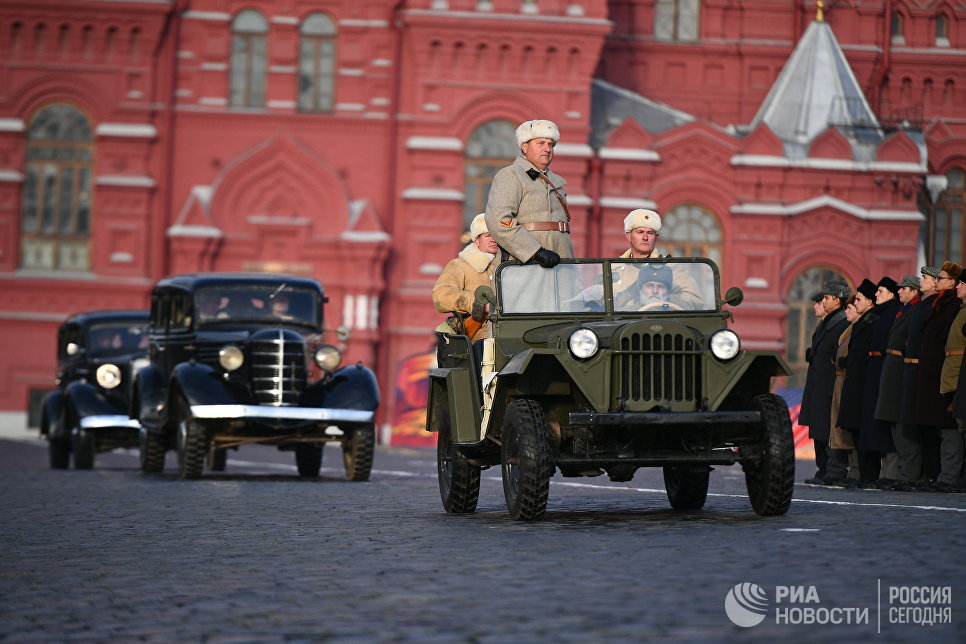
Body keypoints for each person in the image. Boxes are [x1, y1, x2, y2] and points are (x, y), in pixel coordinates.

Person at [484, 119, 572, 268]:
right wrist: (535, 252)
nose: (547, 149)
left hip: (562, 266)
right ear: (524, 147)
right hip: (526, 268)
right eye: (540, 143)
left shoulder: (555, 182)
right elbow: (498, 220)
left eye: (550, 144)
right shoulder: (511, 175)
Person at [913, 261, 964, 491]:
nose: (936, 281)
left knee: (949, 428)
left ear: (951, 283)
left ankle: (948, 476)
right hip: (939, 373)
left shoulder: (952, 305)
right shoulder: (942, 304)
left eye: (940, 278)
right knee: (938, 428)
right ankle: (941, 475)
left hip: (948, 373)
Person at [800, 280, 850, 485]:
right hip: (818, 386)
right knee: (819, 430)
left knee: (829, 430)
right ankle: (823, 470)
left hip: (829, 386)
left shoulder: (841, 325)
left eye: (825, 298)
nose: (820, 302)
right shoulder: (827, 323)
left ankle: (834, 470)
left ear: (836, 300)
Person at [874, 275, 922, 490]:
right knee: (893, 421)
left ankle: (908, 474)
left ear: (913, 292)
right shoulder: (904, 310)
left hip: (901, 368)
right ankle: (903, 473)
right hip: (892, 367)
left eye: (904, 289)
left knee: (902, 423)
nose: (900, 291)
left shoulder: (914, 310)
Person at [899, 265, 943, 488]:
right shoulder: (925, 304)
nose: (921, 281)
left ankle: (930, 472)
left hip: (924, 368)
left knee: (925, 424)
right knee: (915, 422)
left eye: (924, 278)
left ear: (936, 282)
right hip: (914, 368)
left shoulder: (933, 305)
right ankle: (921, 473)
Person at [432, 213, 499, 357]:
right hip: (476, 340)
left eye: (497, 234)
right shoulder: (460, 265)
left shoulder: (512, 267)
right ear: (477, 240)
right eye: (487, 235)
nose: (493, 239)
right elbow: (441, 296)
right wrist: (478, 305)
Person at [837, 278, 880, 486]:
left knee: (863, 430)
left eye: (860, 299)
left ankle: (867, 474)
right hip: (855, 382)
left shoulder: (872, 322)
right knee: (855, 429)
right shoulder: (863, 322)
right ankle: (862, 474)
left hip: (862, 383)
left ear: (870, 302)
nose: (857, 302)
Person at [613, 209, 701, 309]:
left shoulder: (670, 267)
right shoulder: (614, 269)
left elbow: (694, 298)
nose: (645, 238)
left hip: (662, 322)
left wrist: (659, 301)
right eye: (640, 232)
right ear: (628, 236)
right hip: (622, 323)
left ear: (656, 237)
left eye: (650, 233)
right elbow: (598, 301)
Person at [865, 277, 902, 486]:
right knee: (876, 423)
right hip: (876, 369)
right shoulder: (881, 314)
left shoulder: (892, 313)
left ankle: (889, 472)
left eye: (880, 291)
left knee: (886, 423)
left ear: (890, 294)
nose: (876, 295)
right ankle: (883, 472)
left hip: (884, 370)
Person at [939, 275, 966, 491]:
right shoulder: (961, 309)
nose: (958, 287)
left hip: (959, 375)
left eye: (962, 284)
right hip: (954, 375)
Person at [829, 294, 860, 484]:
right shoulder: (848, 329)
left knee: (849, 428)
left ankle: (854, 471)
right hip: (840, 381)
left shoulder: (857, 329)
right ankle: (849, 470)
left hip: (848, 382)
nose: (847, 311)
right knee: (841, 429)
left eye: (851, 307)